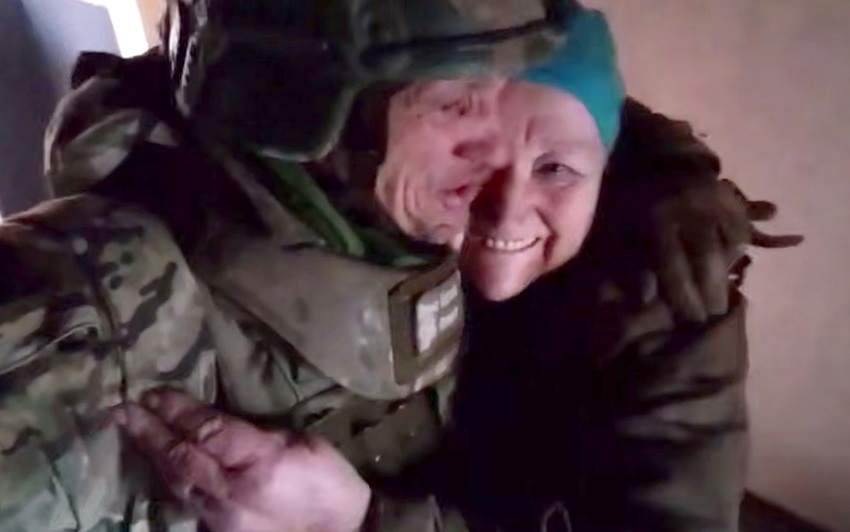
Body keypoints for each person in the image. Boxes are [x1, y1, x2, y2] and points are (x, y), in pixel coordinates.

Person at [0, 1, 797, 531]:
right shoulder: (97, 294)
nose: (499, 206)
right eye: (456, 104)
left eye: (558, 170)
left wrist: (359, 523)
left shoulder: (655, 276)